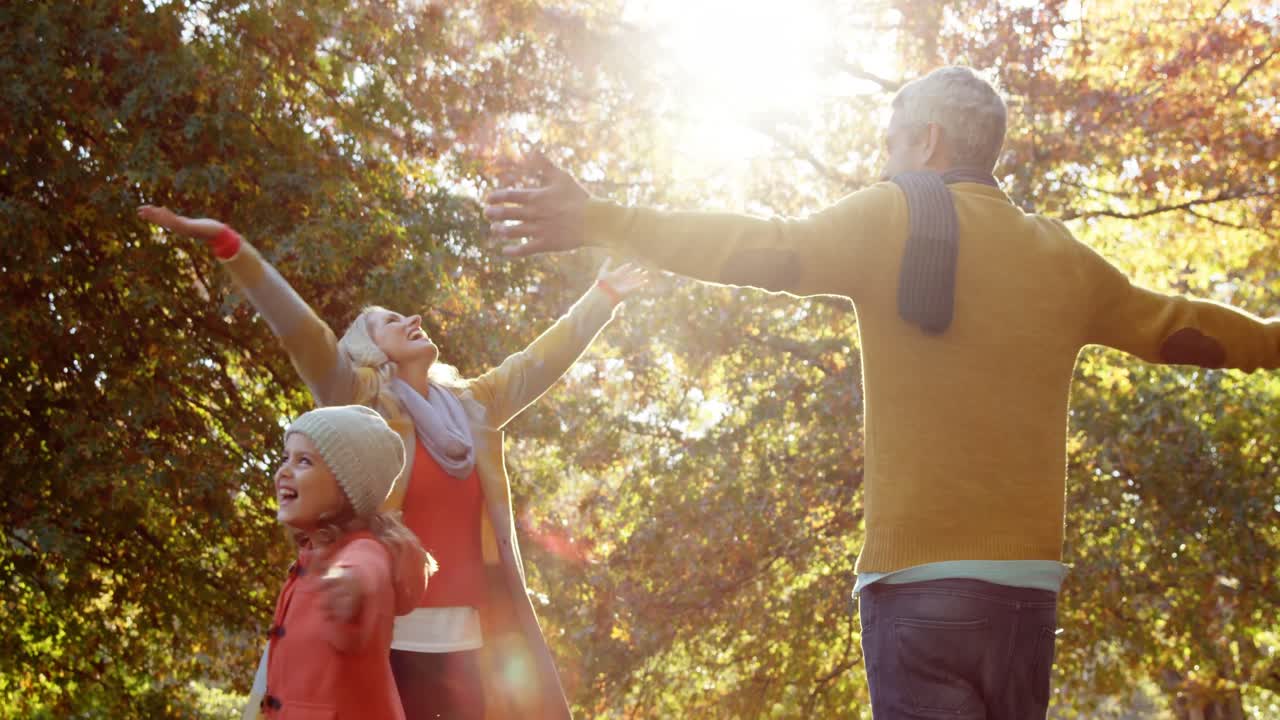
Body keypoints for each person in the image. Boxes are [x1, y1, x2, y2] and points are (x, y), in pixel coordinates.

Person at [483, 65, 1280, 719]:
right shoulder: (1059, 256)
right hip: (1026, 596)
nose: (884, 160)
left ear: (927, 140)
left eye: (892, 141)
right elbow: (1180, 328)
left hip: (919, 592)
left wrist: (603, 217)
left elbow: (759, 248)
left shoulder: (891, 215)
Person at [138, 205, 647, 719]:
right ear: (367, 351)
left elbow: (539, 361)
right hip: (381, 639)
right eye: (389, 321)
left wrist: (602, 296)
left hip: (469, 644)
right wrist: (232, 247)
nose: (412, 320)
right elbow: (303, 335)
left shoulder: (474, 407)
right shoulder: (361, 401)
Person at [261, 404, 429, 719]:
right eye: (286, 458)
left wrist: (353, 582)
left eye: (304, 461)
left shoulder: (363, 550)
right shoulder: (310, 558)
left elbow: (368, 568)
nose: (284, 470)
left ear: (346, 489)